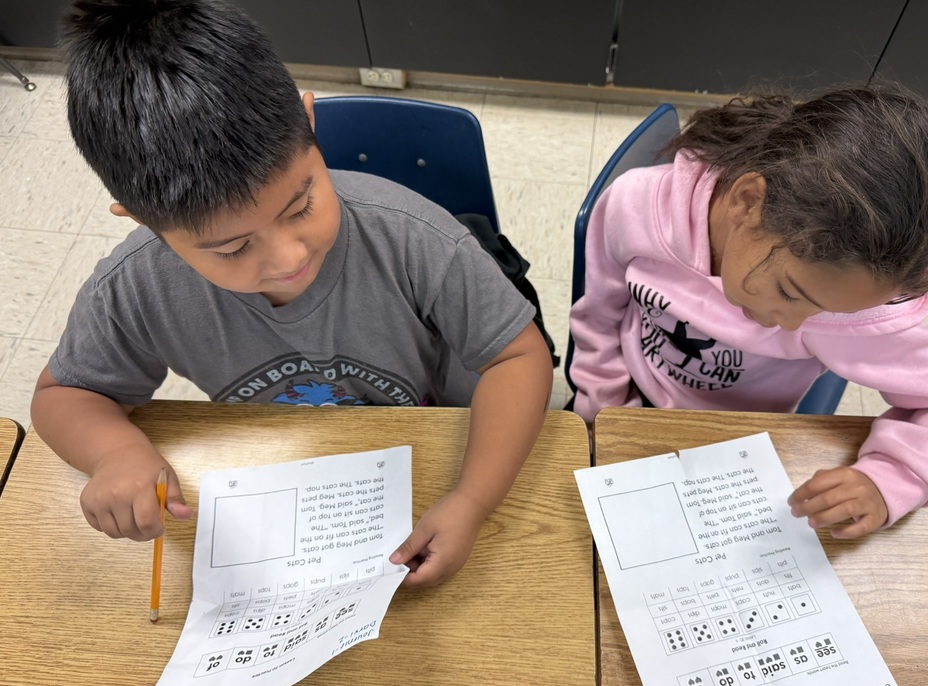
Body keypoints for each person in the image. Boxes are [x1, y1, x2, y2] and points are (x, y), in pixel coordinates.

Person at [32, 0, 553, 587]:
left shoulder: (413, 236)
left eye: (300, 204)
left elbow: (517, 355)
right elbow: (64, 395)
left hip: (437, 455)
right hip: (285, 482)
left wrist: (474, 500)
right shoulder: (137, 286)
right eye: (231, 249)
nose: (290, 257)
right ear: (146, 223)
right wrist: (114, 454)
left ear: (310, 121)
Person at [568, 84, 928, 539]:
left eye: (824, 313)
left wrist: (891, 478)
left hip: (740, 441)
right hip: (628, 403)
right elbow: (598, 317)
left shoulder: (845, 306)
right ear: (747, 202)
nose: (794, 326)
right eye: (790, 292)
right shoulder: (636, 207)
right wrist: (604, 415)